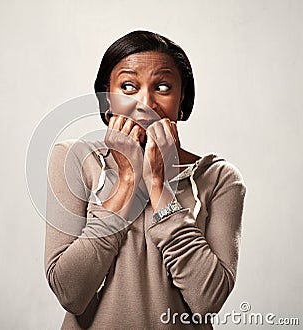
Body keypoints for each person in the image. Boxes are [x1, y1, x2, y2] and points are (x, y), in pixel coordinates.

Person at [44, 30, 246, 329]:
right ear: (108, 99)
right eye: (128, 86)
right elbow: (70, 293)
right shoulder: (74, 158)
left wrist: (159, 187)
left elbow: (207, 301)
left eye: (162, 87)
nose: (145, 103)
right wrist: (126, 181)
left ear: (182, 101)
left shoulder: (218, 178)